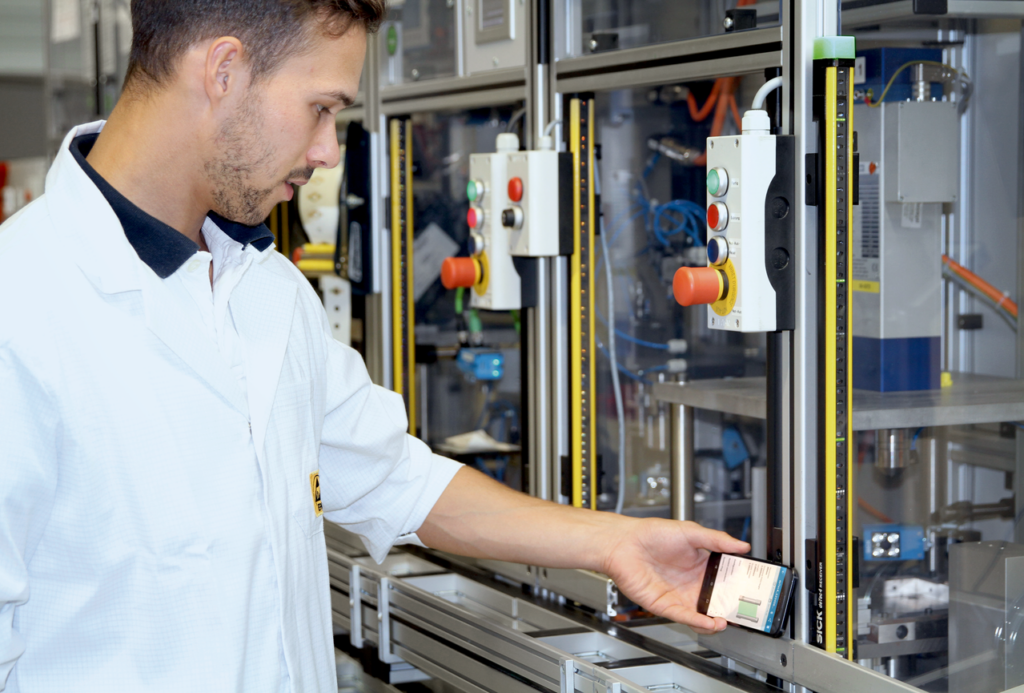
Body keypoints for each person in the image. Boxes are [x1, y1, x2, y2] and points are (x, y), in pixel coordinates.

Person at [0, 0, 749, 690]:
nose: (328, 150)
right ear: (223, 70)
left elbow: (398, 481)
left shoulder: (266, 290)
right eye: (320, 108)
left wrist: (614, 543)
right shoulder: (24, 311)